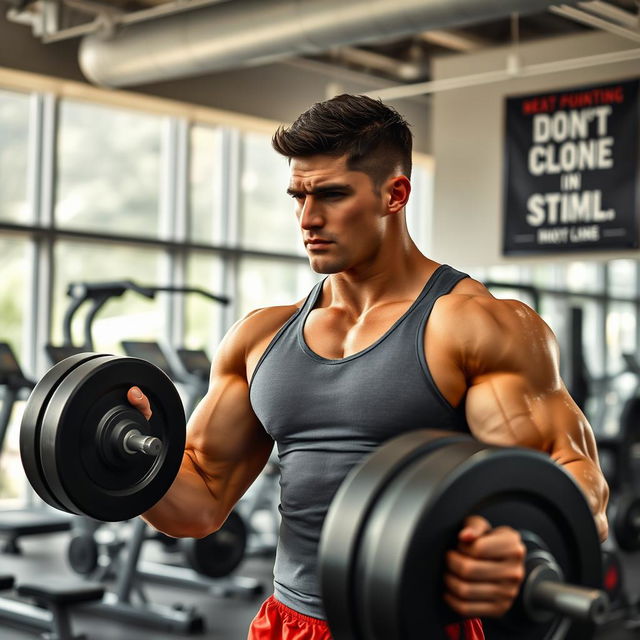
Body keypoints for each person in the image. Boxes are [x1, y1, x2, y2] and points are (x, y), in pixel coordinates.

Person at [128, 94, 609, 640]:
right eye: (298, 196)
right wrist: (131, 458)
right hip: (290, 623)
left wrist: (519, 546)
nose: (307, 219)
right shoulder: (259, 338)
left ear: (394, 194)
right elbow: (200, 504)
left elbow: (570, 476)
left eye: (331, 195)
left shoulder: (474, 326)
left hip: (417, 626)